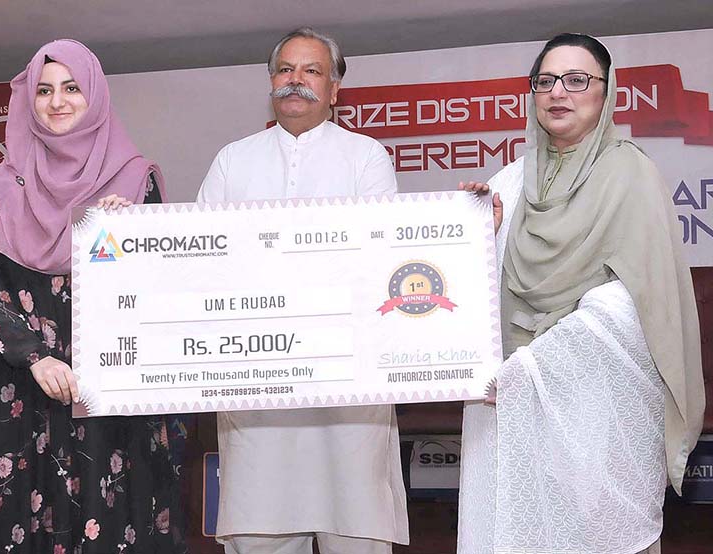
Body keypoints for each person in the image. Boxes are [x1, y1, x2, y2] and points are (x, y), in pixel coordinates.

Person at [457, 33, 705, 554]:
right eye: (545, 81)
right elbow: (472, 295)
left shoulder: (629, 174)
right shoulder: (508, 182)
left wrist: (536, 365)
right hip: (513, 402)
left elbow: (632, 304)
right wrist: (483, 232)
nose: (558, 93)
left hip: (599, 405)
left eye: (576, 80)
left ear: (606, 91)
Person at [0, 39, 188, 554]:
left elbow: (158, 289)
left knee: (112, 520)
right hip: (23, 384)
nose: (57, 101)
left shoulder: (134, 182)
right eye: (44, 90)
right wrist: (34, 357)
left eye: (71, 88)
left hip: (107, 387)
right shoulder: (0, 187)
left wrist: (125, 236)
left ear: (96, 97)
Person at [197, 27, 409, 554]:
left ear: (335, 89)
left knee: (355, 528)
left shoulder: (366, 158)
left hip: (348, 382)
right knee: (260, 532)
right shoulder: (232, 160)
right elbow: (200, 261)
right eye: (286, 70)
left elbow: (381, 261)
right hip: (257, 379)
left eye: (312, 71)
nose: (297, 81)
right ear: (271, 82)